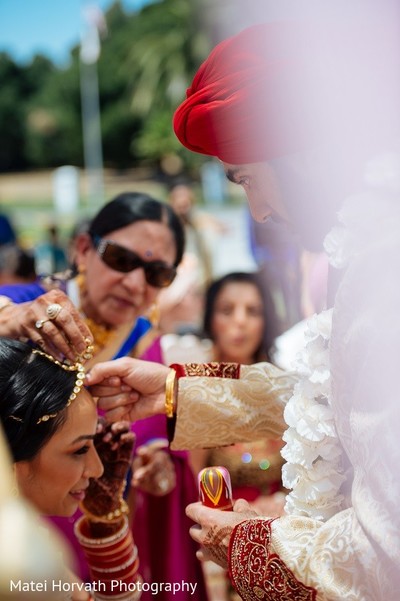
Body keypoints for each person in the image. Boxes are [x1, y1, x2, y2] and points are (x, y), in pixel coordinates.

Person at [86, 8, 400, 600]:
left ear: (299, 156)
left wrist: (255, 545)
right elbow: (343, 405)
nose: (257, 212)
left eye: (244, 178)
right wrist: (178, 393)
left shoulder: (386, 267)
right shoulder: (363, 246)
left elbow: (387, 553)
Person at [0, 192, 208, 600]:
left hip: (99, 533)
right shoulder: (24, 311)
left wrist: (158, 470)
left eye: (156, 274)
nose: (134, 283)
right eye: (121, 259)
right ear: (82, 250)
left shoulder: (147, 349)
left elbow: (157, 448)